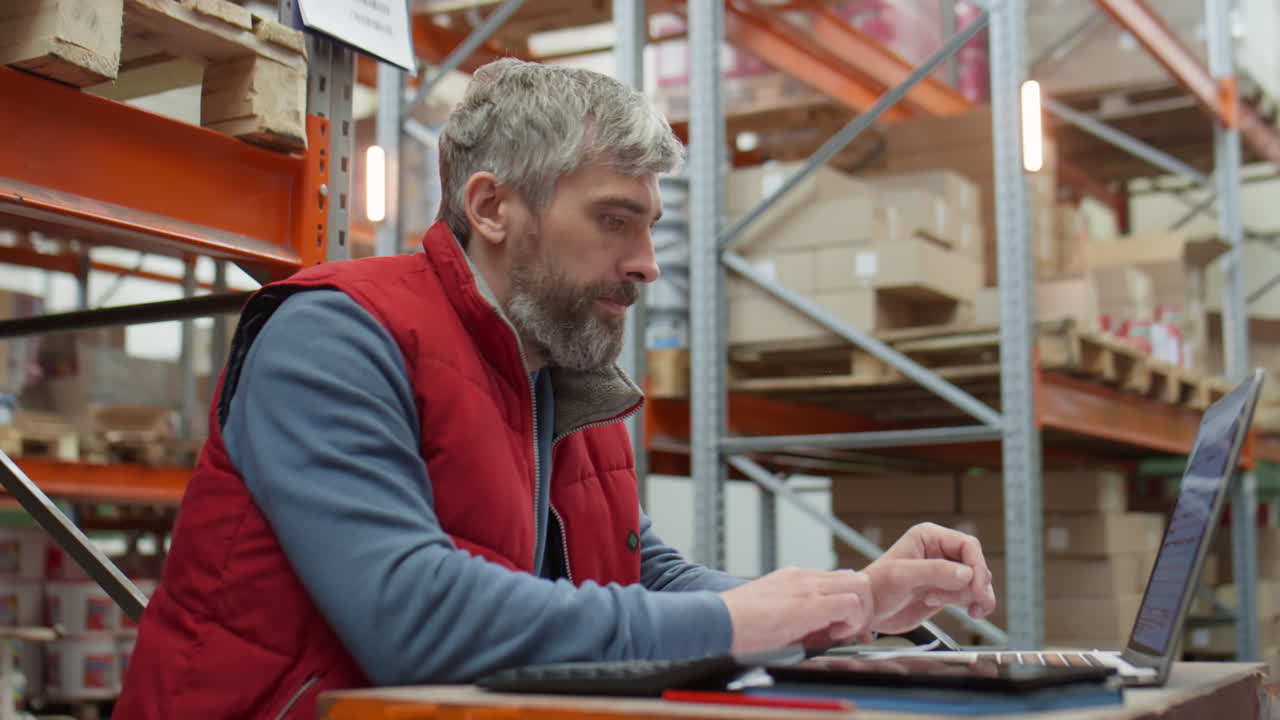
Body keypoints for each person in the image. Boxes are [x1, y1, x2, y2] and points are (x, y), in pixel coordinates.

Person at [114, 58, 996, 719]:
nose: (646, 263)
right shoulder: (338, 335)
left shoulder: (563, 366)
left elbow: (643, 574)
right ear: (492, 207)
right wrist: (736, 624)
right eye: (614, 219)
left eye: (650, 226)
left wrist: (852, 603)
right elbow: (415, 617)